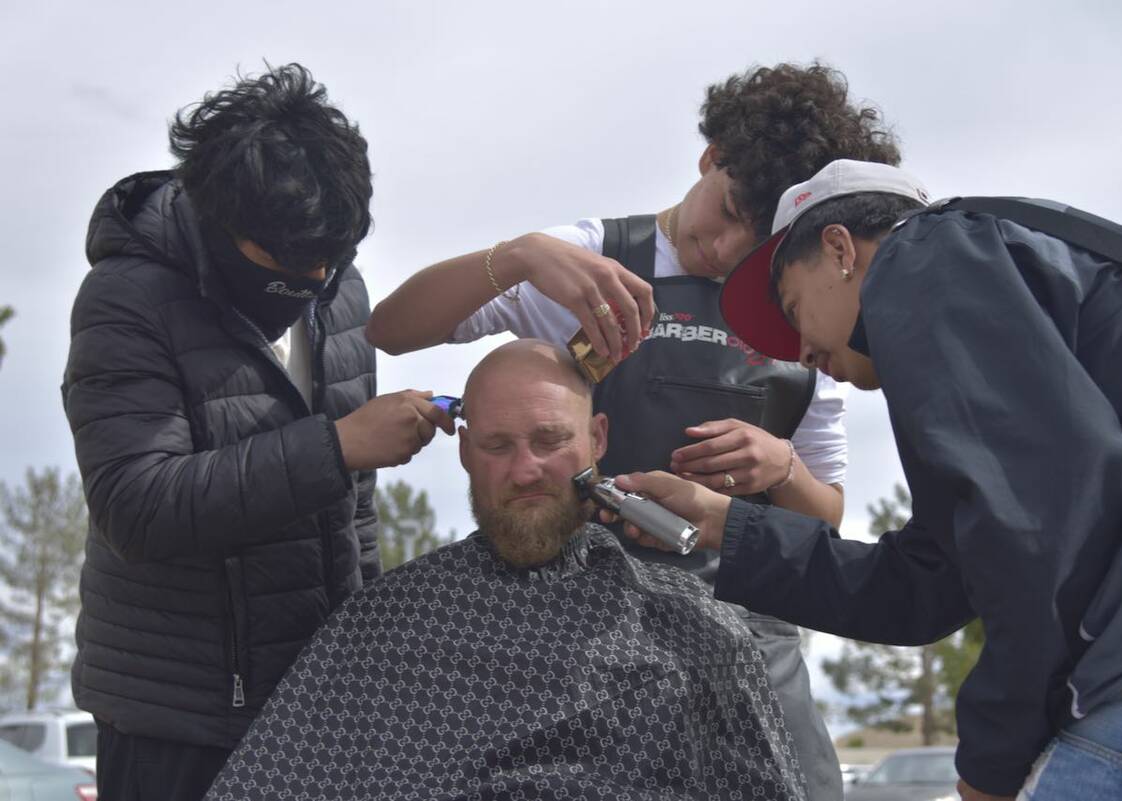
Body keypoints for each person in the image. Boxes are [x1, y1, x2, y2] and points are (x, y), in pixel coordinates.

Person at [366, 63, 903, 800]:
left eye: (761, 236)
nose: (726, 247)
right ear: (710, 157)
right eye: (729, 207)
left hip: (751, 651)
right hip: (587, 657)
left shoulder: (802, 310)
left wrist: (784, 470)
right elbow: (391, 329)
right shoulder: (585, 258)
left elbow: (828, 517)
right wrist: (516, 256)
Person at [612, 159, 1122, 801]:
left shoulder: (927, 255)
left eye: (792, 306)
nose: (800, 351)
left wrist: (990, 766)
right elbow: (924, 585)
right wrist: (729, 526)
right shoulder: (1001, 281)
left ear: (839, 249)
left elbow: (1036, 535)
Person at [62, 63, 452, 801]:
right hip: (176, 727)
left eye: (331, 258)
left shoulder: (340, 292)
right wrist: (336, 447)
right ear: (222, 221)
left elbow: (354, 517)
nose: (315, 276)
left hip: (318, 713)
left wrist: (364, 669)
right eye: (292, 262)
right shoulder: (127, 297)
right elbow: (135, 505)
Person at [203, 340, 809, 801]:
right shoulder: (381, 631)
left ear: (597, 439)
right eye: (497, 446)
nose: (525, 471)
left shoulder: (693, 628)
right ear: (465, 451)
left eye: (549, 441)